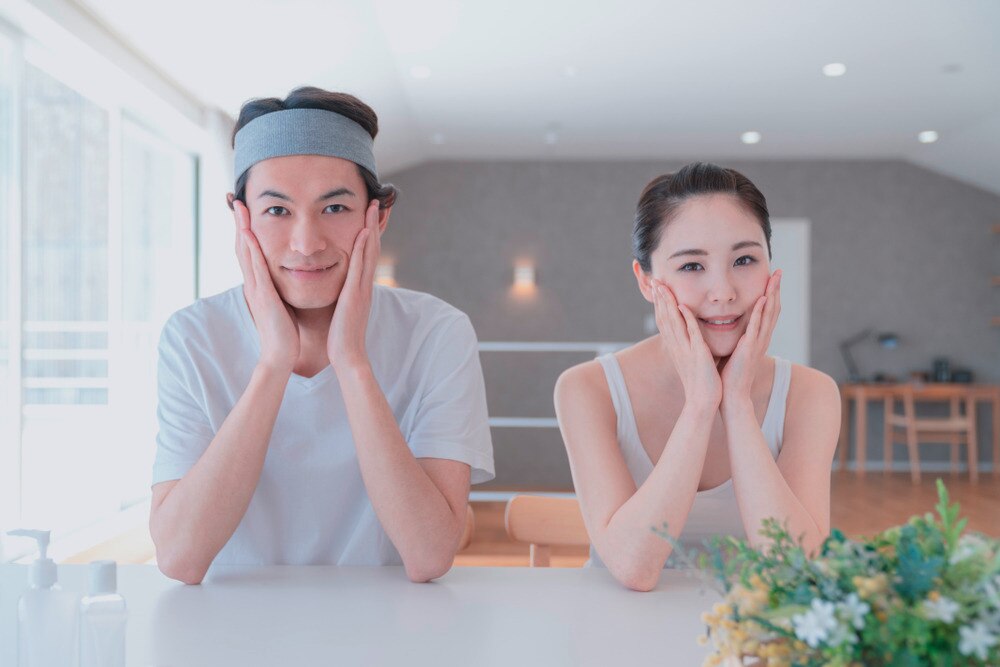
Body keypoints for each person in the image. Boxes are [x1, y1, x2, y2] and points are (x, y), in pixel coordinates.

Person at [149, 87, 494, 585]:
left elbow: (430, 554)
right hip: (229, 632)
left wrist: (351, 360)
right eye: (276, 211)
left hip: (389, 628)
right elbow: (180, 558)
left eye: (334, 209)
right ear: (239, 217)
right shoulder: (192, 337)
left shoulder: (438, 333)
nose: (307, 244)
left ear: (378, 216)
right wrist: (273, 363)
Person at [554, 162, 840, 591]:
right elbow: (634, 566)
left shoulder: (811, 394)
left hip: (754, 641)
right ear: (647, 281)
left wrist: (738, 404)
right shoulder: (587, 389)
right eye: (691, 266)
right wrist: (701, 405)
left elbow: (795, 569)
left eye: (744, 259)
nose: (723, 291)